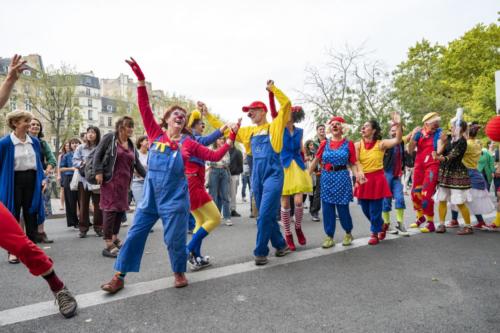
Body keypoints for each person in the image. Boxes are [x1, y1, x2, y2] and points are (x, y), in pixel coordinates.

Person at [100, 58, 238, 293]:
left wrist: (231, 139)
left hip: (175, 198)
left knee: (174, 239)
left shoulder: (190, 142)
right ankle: (119, 276)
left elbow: (213, 157)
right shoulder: (155, 134)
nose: (180, 115)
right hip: (151, 197)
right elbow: (143, 107)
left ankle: (179, 272)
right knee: (134, 235)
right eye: (175, 113)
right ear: (166, 119)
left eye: (182, 114)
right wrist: (141, 81)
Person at [0, 54, 77, 318]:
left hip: (29, 181)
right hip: (14, 183)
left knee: (21, 245)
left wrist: (10, 78)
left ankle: (59, 288)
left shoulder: (31, 141)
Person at [185, 104, 235, 270]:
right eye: (201, 124)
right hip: (193, 184)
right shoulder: (192, 139)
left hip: (192, 184)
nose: (203, 126)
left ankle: (196, 256)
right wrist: (226, 134)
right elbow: (208, 144)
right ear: (192, 126)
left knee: (200, 220)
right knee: (215, 218)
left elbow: (206, 140)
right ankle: (188, 249)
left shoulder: (190, 139)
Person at [94, 116, 146, 258]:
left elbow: (137, 165)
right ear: (119, 127)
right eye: (127, 126)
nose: (130, 129)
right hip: (110, 181)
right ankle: (108, 243)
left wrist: (148, 177)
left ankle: (115, 237)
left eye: (131, 126)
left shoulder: (130, 144)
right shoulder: (110, 138)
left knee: (119, 211)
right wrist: (98, 172)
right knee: (110, 211)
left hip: (124, 184)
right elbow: (97, 155)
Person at [308, 116, 361, 248]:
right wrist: (306, 175)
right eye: (332, 125)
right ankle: (329, 236)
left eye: (338, 124)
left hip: (342, 177)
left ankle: (348, 232)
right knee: (327, 209)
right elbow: (315, 161)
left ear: (343, 128)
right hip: (326, 178)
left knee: (343, 208)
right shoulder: (323, 144)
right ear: (329, 128)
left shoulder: (349, 144)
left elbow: (353, 163)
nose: (335, 126)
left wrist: (358, 176)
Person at [354, 118, 402, 245]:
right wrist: (359, 172)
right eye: (363, 126)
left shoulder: (381, 144)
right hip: (364, 180)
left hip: (377, 179)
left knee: (375, 209)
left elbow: (397, 140)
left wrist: (398, 125)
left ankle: (374, 233)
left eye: (367, 126)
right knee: (365, 209)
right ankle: (381, 225)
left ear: (374, 130)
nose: (363, 128)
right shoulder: (357, 145)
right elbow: (356, 161)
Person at [446, 123, 495, 230]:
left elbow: (455, 154)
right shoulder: (478, 143)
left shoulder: (466, 144)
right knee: (473, 200)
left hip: (463, 173)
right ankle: (480, 221)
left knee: (457, 196)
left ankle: (455, 220)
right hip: (475, 173)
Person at [278, 104, 313, 251]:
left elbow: (300, 148)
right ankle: (288, 233)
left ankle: (298, 227)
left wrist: (307, 157)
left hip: (297, 166)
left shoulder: (300, 131)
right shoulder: (279, 130)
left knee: (299, 200)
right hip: (284, 166)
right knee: (285, 204)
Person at [434, 119, 473, 235]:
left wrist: (441, 158)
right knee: (442, 198)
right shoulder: (449, 138)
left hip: (457, 173)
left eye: (453, 126)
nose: (450, 128)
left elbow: (452, 156)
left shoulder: (462, 141)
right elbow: (440, 152)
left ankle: (468, 226)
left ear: (460, 128)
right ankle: (441, 224)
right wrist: (442, 142)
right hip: (445, 172)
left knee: (459, 201)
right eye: (451, 126)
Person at [408, 112, 442, 233]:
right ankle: (420, 217)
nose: (436, 125)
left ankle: (430, 222)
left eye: (437, 122)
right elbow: (409, 150)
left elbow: (439, 149)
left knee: (426, 194)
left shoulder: (439, 134)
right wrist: (413, 137)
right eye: (434, 123)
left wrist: (441, 141)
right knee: (414, 194)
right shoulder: (419, 133)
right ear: (426, 124)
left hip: (432, 165)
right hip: (419, 166)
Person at [26, 117, 56, 243]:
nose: (35, 127)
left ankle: (41, 233)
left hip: (42, 177)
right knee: (27, 206)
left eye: (37, 125)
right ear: (27, 127)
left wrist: (46, 171)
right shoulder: (24, 141)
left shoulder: (43, 143)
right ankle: (26, 235)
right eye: (32, 124)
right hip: (27, 177)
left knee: (43, 205)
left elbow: (52, 160)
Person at [73, 126, 103, 238]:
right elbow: (74, 161)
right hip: (83, 180)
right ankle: (83, 229)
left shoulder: (101, 147)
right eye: (88, 132)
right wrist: (84, 163)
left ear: (97, 134)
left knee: (98, 205)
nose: (90, 134)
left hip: (97, 180)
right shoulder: (80, 148)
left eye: (93, 132)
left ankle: (99, 227)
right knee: (83, 205)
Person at [382, 125, 410, 236]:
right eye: (392, 130)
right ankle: (386, 224)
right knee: (386, 200)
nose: (393, 133)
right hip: (386, 174)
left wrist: (402, 168)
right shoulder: (386, 143)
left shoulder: (401, 143)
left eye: (396, 131)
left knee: (400, 198)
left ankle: (400, 223)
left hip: (397, 176)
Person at [207, 137, 233, 226]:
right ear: (215, 140)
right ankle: (214, 218)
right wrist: (219, 160)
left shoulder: (225, 148)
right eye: (219, 139)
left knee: (225, 195)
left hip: (224, 171)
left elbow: (228, 161)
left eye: (223, 139)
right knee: (213, 195)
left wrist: (217, 160)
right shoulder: (211, 148)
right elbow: (208, 161)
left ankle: (227, 217)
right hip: (213, 171)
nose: (221, 140)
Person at [59, 138, 81, 228]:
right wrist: (71, 168)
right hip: (69, 178)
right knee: (71, 201)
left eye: (77, 143)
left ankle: (84, 220)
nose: (75, 145)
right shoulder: (67, 155)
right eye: (73, 143)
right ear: (70, 145)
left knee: (82, 201)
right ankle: (74, 222)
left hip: (81, 178)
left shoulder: (83, 154)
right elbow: (61, 168)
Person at [310, 124, 326, 222]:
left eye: (323, 129)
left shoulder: (329, 141)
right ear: (317, 131)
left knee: (332, 190)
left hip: (330, 170)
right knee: (318, 192)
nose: (322, 131)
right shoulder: (315, 144)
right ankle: (314, 212)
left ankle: (334, 211)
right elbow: (316, 156)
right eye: (320, 129)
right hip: (319, 170)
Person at [229, 143, 243, 217]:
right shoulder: (225, 151)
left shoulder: (237, 152)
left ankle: (233, 209)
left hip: (234, 175)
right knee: (225, 193)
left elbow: (240, 164)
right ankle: (226, 210)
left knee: (233, 193)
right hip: (225, 174)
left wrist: (238, 173)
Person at [57, 142, 71, 211]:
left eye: (68, 146)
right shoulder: (61, 156)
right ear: (64, 147)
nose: (67, 147)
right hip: (63, 174)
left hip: (70, 174)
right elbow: (58, 166)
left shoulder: (73, 154)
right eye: (66, 146)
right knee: (62, 190)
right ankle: (62, 205)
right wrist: (58, 175)